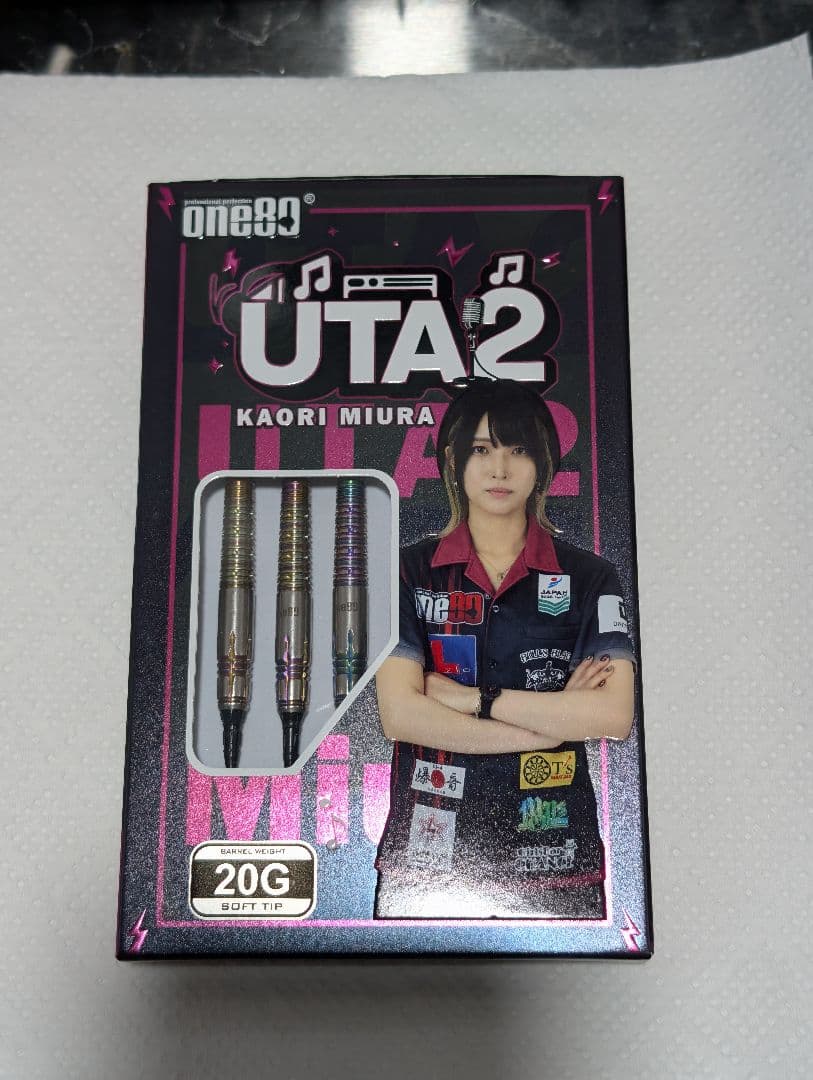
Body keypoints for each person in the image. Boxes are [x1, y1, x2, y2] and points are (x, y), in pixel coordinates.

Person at [374, 378, 635, 919]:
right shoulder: (407, 571)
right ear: (453, 461)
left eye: (518, 450)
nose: (499, 469)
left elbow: (612, 714)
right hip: (427, 857)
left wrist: (475, 700)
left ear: (542, 465)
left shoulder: (590, 577)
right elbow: (400, 715)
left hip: (555, 851)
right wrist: (551, 726)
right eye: (481, 450)